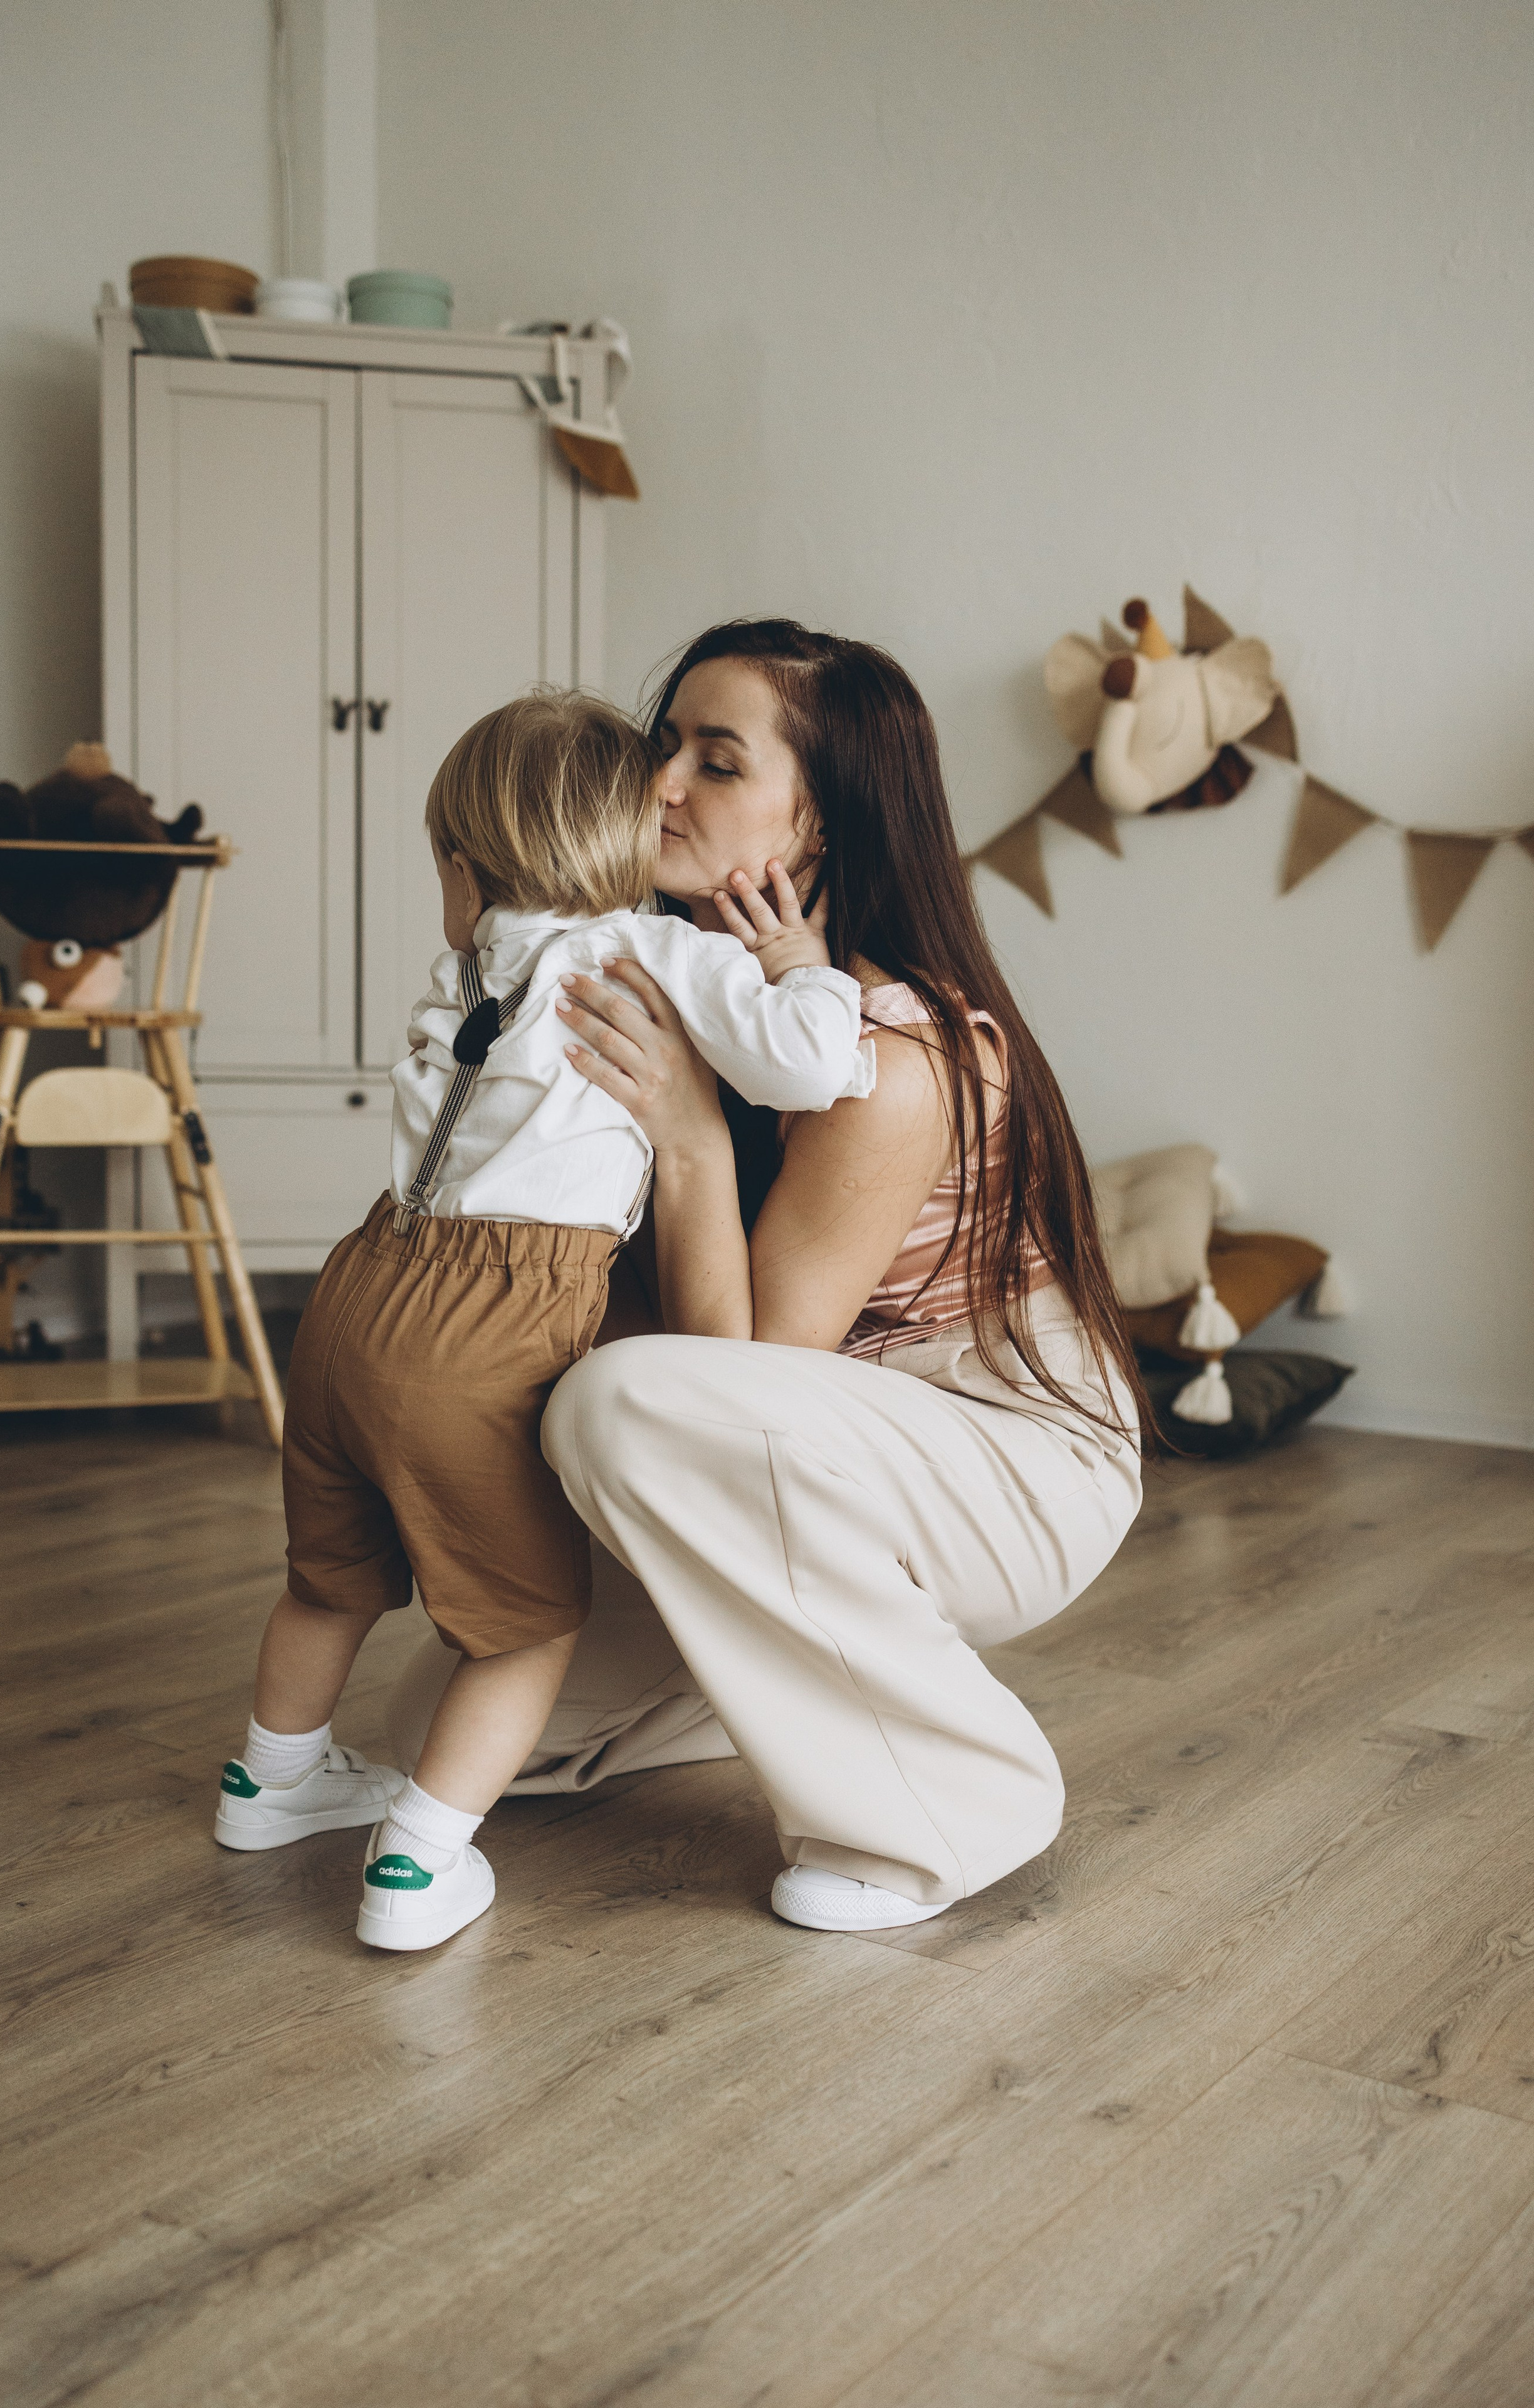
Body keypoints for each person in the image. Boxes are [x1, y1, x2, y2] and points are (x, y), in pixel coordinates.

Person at [212, 688, 873, 1951]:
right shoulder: (658, 954)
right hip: (488, 1323)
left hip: (357, 1287)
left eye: (441, 865)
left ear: (470, 870)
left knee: (328, 1576)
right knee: (522, 1624)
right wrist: (800, 973)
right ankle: (415, 1865)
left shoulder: (475, 957)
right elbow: (811, 1063)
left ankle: (268, 1784)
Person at [539, 620, 1150, 1931]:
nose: (658, 785)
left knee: (618, 1407)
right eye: (663, 746)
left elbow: (736, 1382)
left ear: (816, 832)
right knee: (487, 1730)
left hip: (1005, 1448)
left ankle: (959, 1803)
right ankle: (780, 1681)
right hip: (817, 1432)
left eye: (715, 762)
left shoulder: (892, 1053)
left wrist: (693, 1137)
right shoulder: (669, 982)